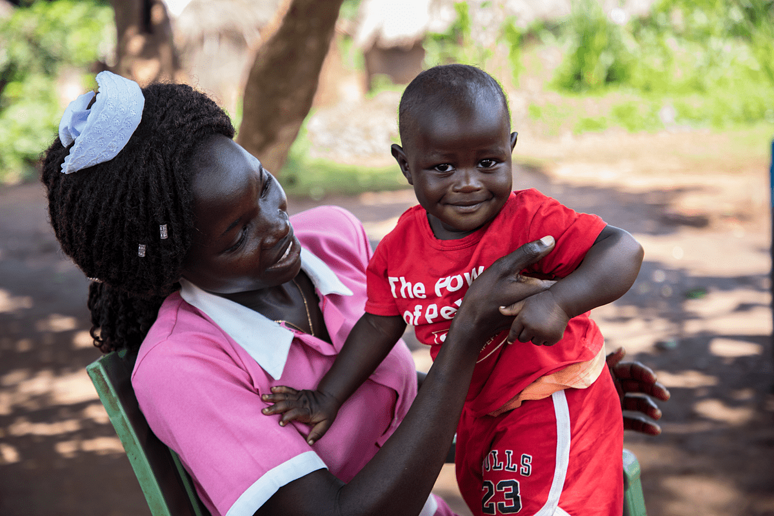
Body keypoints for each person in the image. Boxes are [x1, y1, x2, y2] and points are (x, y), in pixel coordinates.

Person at [41, 71, 667, 516]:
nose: (278, 225)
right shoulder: (183, 367)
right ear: (172, 265)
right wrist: (467, 336)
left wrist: (549, 396)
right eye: (237, 233)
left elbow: (399, 424)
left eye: (264, 187)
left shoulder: (336, 240)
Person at [266, 64, 645, 516]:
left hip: (550, 397)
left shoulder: (529, 221)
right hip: (478, 413)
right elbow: (376, 325)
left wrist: (559, 301)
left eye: (487, 162)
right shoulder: (398, 248)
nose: (468, 182)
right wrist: (326, 397)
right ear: (406, 165)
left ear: (510, 149)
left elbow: (623, 249)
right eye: (443, 167)